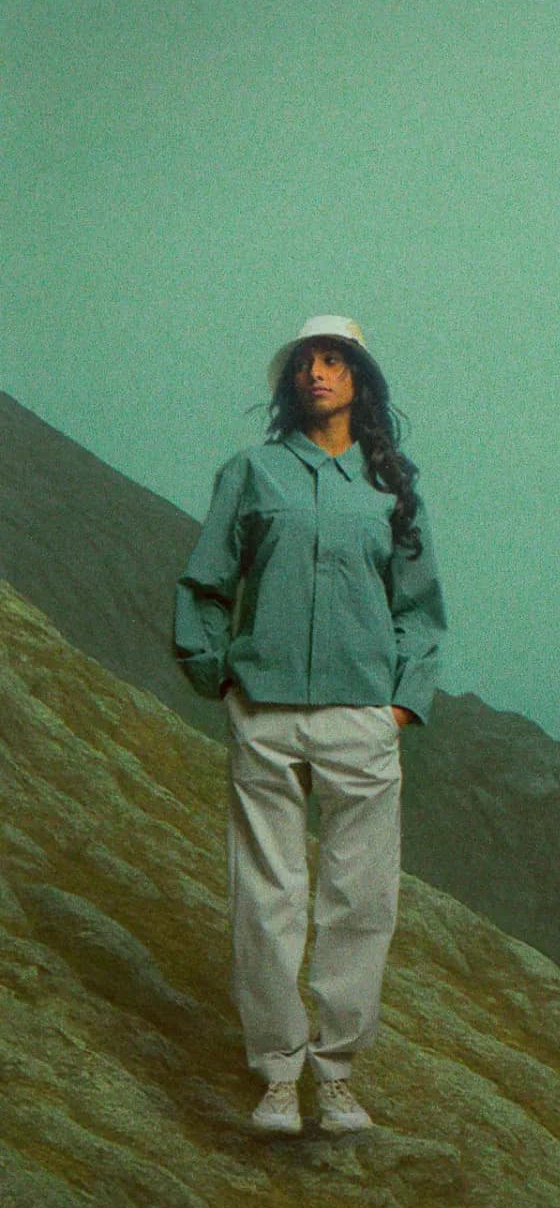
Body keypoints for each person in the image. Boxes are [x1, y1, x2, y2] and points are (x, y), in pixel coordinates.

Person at [175, 315, 447, 1137]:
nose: (317, 374)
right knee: (267, 902)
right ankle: (276, 1078)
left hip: (361, 720)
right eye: (306, 363)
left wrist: (401, 702)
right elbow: (206, 584)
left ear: (360, 380)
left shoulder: (391, 486)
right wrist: (218, 674)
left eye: (334, 361)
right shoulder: (253, 473)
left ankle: (335, 1077)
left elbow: (421, 609)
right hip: (265, 715)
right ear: (292, 381)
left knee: (360, 904)